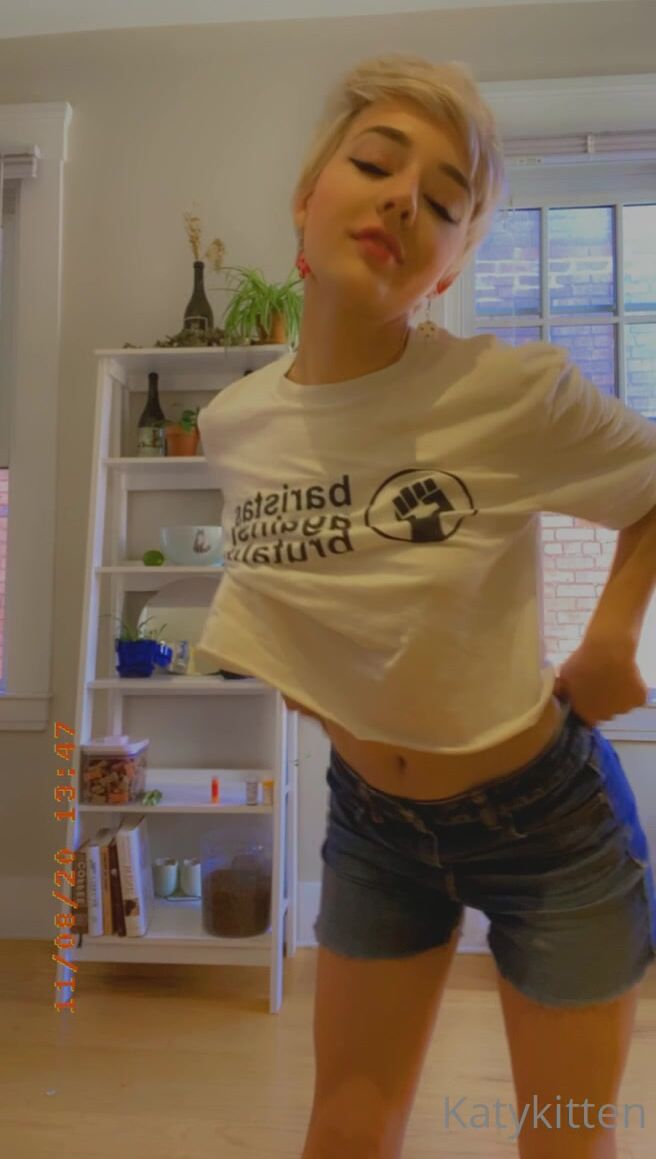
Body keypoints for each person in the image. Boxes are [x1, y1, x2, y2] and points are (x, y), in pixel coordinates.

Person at [196, 53, 656, 1159]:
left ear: (447, 267)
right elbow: (296, 586)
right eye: (375, 163)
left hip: (549, 826)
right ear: (306, 199)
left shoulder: (507, 391)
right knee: (344, 1133)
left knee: (563, 1140)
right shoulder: (231, 426)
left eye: (446, 203)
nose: (406, 198)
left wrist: (610, 632)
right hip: (372, 825)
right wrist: (319, 689)